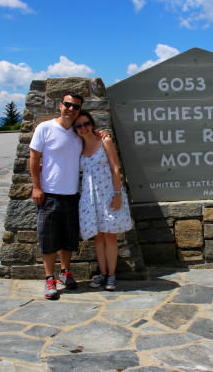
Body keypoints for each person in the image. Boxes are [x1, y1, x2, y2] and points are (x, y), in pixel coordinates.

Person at [29, 92, 84, 300]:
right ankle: (49, 278)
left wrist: (103, 134)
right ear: (60, 105)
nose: (71, 109)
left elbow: (93, 140)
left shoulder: (79, 132)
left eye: (76, 107)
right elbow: (34, 157)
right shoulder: (45, 128)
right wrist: (36, 187)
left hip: (71, 194)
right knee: (49, 239)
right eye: (67, 104)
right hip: (49, 193)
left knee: (68, 239)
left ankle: (65, 272)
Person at [74, 110, 132, 291]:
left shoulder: (104, 141)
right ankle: (103, 273)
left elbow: (115, 168)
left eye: (86, 124)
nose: (83, 128)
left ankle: (112, 275)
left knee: (110, 236)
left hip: (108, 194)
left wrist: (117, 193)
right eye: (78, 126)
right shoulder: (78, 147)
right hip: (90, 197)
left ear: (92, 124)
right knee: (97, 237)